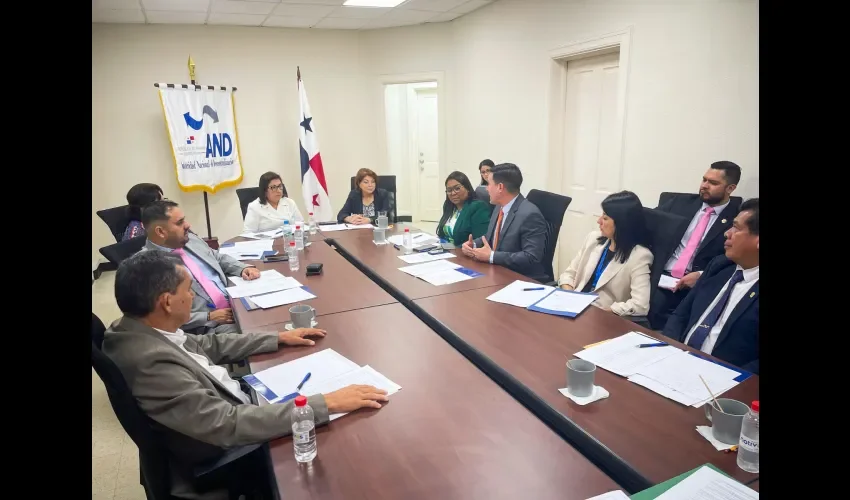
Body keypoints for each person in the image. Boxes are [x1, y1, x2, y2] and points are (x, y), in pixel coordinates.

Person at [103, 251, 389, 500]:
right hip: (225, 451)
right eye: (188, 290)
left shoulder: (139, 328)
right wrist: (326, 403)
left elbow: (208, 344)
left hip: (228, 405)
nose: (193, 296)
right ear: (167, 302)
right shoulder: (151, 362)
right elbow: (227, 424)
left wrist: (277, 338)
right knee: (350, 455)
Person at [663, 198, 759, 374]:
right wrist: (667, 349)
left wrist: (726, 379)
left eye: (736, 228)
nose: (727, 233)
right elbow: (681, 314)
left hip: (723, 378)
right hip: (676, 361)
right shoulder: (720, 266)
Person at [140, 200, 259, 334]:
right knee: (261, 335)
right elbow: (161, 317)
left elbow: (216, 257)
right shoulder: (147, 267)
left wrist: (242, 268)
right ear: (161, 232)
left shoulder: (189, 239)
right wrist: (209, 316)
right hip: (207, 327)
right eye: (179, 222)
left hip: (236, 301)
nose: (187, 225)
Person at [650, 161, 743, 328]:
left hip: (699, 285)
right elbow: (649, 223)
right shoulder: (679, 204)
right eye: (704, 179)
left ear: (730, 188)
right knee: (648, 309)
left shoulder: (737, 218)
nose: (704, 186)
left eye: (713, 183)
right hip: (662, 277)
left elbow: (735, 256)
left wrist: (701, 275)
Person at [558, 191, 653, 316]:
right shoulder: (593, 239)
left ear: (621, 223)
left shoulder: (639, 256)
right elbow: (569, 274)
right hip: (574, 306)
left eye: (605, 218)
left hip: (600, 316)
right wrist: (571, 297)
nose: (599, 221)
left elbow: (640, 305)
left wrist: (603, 313)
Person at [461, 163, 548, 282]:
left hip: (519, 278)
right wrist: (473, 245)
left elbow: (531, 257)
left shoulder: (530, 214)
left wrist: (491, 256)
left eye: (489, 184)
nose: (486, 189)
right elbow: (491, 236)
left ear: (500, 187)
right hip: (497, 272)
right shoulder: (499, 206)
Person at [436, 171, 491, 245]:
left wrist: (457, 249)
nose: (453, 193)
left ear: (467, 188)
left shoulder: (478, 207)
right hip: (445, 248)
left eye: (457, 188)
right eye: (449, 190)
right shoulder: (448, 206)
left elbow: (480, 240)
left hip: (464, 250)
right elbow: (442, 233)